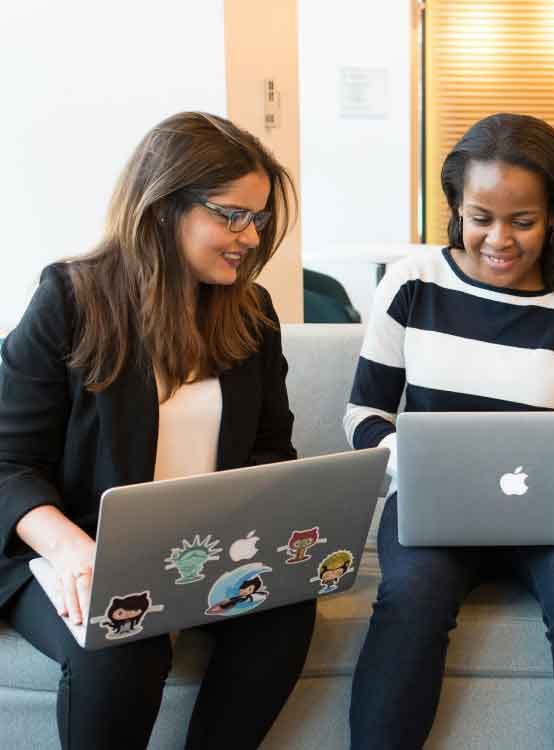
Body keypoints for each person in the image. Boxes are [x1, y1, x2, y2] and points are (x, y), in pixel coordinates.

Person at [0, 112, 316, 749]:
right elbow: (8, 461)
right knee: (125, 638)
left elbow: (268, 448)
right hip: (69, 555)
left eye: (257, 219)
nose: (250, 237)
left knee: (284, 613)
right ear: (163, 206)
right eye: (232, 215)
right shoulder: (70, 299)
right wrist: (73, 551)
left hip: (201, 553)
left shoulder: (251, 314)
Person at [344, 112, 554, 749]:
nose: (499, 239)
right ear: (457, 209)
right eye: (481, 217)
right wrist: (412, 459)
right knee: (410, 599)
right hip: (433, 510)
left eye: (523, 221)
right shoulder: (412, 283)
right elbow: (364, 416)